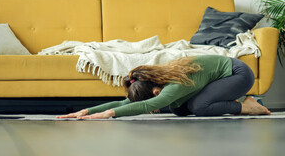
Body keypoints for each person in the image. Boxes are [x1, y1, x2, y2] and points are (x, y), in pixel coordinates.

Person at [57, 55, 271, 119]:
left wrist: (109, 114)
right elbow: (129, 102)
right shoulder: (161, 81)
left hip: (239, 74)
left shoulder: (174, 85)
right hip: (218, 79)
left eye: (153, 97)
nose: (152, 104)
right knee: (177, 108)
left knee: (199, 107)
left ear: (155, 86)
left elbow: (145, 106)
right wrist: (87, 110)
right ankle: (235, 102)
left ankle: (247, 105)